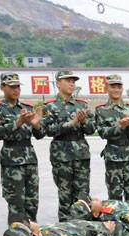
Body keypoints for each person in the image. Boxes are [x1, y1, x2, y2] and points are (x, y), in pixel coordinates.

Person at [0, 72, 44, 220]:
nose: (16, 90)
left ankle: (32, 233)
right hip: (11, 159)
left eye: (18, 86)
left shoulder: (27, 107)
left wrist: (37, 125)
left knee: (32, 201)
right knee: (16, 201)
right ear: (2, 87)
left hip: (30, 158)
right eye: (12, 87)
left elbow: (40, 135)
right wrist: (18, 122)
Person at [42, 70, 95, 221]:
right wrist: (70, 124)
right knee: (65, 194)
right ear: (58, 83)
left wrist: (84, 122)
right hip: (61, 155)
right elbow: (47, 130)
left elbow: (91, 129)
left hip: (81, 154)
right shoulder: (50, 107)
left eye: (73, 81)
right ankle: (65, 230)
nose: (72, 84)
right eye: (68, 80)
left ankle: (83, 227)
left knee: (83, 194)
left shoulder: (81, 105)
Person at [95, 74, 129, 202]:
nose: (116, 90)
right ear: (107, 88)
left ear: (122, 89)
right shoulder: (101, 110)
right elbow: (102, 133)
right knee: (114, 194)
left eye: (119, 87)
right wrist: (119, 127)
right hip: (112, 155)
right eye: (113, 86)